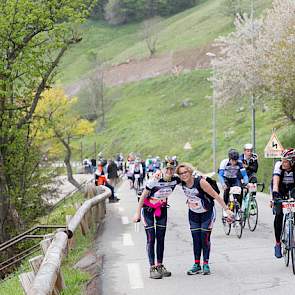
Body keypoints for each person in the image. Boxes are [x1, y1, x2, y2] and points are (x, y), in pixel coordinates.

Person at [176, 163, 233, 275]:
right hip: (193, 213)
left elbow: (216, 196)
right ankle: (196, 264)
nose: (184, 175)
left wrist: (227, 210)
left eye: (185, 172)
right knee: (196, 239)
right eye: (181, 173)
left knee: (204, 238)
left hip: (207, 213)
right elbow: (167, 180)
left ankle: (206, 264)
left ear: (190, 171)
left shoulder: (200, 182)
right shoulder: (181, 183)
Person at [132, 163, 181, 279]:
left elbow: (189, 179)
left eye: (171, 169)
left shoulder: (175, 180)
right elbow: (143, 195)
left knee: (161, 238)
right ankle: (152, 267)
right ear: (163, 169)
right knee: (151, 238)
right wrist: (137, 213)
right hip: (147, 209)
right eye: (167, 168)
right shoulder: (156, 178)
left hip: (161, 209)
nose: (169, 171)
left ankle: (159, 265)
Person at [271, 148, 295, 258]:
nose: (283, 163)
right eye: (282, 160)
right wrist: (275, 194)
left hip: (292, 188)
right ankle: (277, 243)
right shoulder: (279, 165)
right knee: (279, 215)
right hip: (280, 188)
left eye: (286, 161)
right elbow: (275, 181)